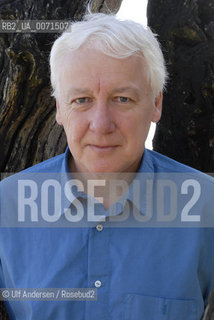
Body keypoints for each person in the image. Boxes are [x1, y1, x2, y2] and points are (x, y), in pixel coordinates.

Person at [0, 12, 214, 320]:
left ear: (156, 103)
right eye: (82, 100)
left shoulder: (206, 206)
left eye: (123, 99)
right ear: (60, 108)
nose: (101, 125)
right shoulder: (7, 206)